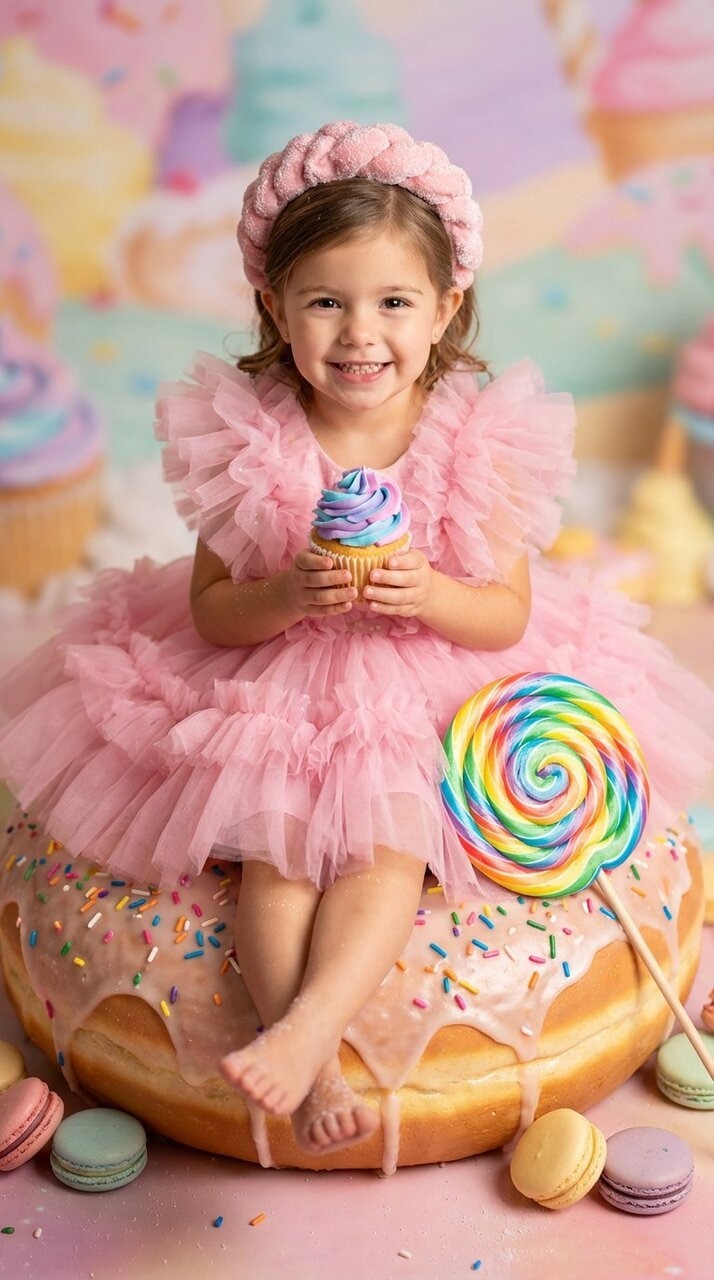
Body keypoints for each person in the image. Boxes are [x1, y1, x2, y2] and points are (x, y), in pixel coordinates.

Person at [0, 121, 712, 1159]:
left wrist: (429, 593)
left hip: (430, 679)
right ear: (275, 306)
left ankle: (307, 1029)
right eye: (325, 301)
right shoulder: (247, 436)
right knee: (279, 864)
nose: (357, 333)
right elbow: (212, 610)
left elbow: (504, 613)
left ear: (444, 309)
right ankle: (311, 1057)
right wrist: (286, 592)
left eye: (392, 302)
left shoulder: (478, 439)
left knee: (384, 852)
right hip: (279, 682)